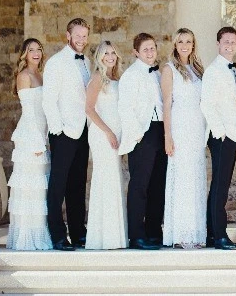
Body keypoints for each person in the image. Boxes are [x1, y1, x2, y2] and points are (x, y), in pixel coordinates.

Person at [41, 18, 92, 251]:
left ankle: (78, 233)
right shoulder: (56, 62)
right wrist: (58, 131)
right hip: (63, 132)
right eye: (77, 35)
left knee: (77, 185)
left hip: (83, 132)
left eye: (84, 36)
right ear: (68, 36)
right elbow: (48, 100)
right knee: (58, 185)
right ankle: (58, 236)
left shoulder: (88, 62)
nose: (81, 40)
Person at [117, 33, 167, 250]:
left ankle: (154, 232)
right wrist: (137, 135)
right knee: (140, 185)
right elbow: (125, 108)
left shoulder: (158, 74)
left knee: (158, 184)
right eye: (145, 49)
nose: (150, 52)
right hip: (142, 134)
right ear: (135, 52)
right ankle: (137, 236)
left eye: (152, 48)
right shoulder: (130, 75)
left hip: (160, 130)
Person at [161, 28, 207, 249]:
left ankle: (196, 234)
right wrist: (168, 136)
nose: (185, 45)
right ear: (175, 44)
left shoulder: (199, 69)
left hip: (197, 130)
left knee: (196, 178)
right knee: (182, 180)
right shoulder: (169, 70)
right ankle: (180, 234)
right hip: (179, 128)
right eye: (181, 42)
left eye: (189, 41)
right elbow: (166, 105)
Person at [8, 38, 52, 250]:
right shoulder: (24, 76)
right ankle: (26, 237)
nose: (35, 53)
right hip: (30, 138)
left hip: (42, 137)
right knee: (29, 187)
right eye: (31, 50)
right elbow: (29, 112)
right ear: (24, 54)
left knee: (39, 188)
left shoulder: (41, 75)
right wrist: (36, 142)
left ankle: (39, 234)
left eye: (38, 49)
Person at [201, 26, 236, 250]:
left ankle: (211, 233)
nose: (229, 45)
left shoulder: (231, 69)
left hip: (232, 132)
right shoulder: (213, 70)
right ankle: (219, 235)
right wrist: (221, 133)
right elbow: (206, 104)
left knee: (221, 184)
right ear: (218, 44)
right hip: (222, 135)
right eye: (225, 41)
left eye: (232, 42)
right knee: (220, 185)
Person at [84, 40, 127, 250]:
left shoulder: (116, 78)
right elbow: (89, 109)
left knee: (114, 179)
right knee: (105, 179)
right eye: (106, 53)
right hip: (102, 134)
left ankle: (115, 236)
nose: (110, 57)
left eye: (113, 53)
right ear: (99, 57)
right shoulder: (97, 79)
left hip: (116, 134)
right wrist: (109, 132)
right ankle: (102, 237)